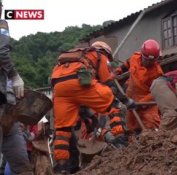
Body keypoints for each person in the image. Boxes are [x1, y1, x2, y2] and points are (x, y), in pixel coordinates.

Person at [51, 41, 132, 174]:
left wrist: (87, 117)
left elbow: (78, 101)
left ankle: (61, 167)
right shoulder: (99, 54)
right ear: (106, 52)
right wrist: (126, 100)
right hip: (78, 82)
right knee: (114, 104)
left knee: (62, 130)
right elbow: (108, 82)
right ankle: (122, 141)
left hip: (58, 87)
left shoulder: (70, 59)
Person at [0, 1, 33, 174]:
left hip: (7, 111)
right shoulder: (1, 24)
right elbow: (1, 51)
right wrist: (14, 75)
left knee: (22, 165)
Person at [114, 39, 163, 135]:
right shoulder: (135, 58)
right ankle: (134, 147)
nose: (149, 63)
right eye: (146, 60)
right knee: (130, 127)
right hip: (131, 99)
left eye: (151, 61)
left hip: (147, 103)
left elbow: (155, 93)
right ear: (142, 55)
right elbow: (127, 64)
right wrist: (117, 71)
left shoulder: (157, 73)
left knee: (151, 126)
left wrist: (141, 103)